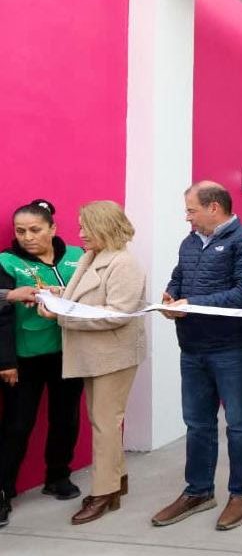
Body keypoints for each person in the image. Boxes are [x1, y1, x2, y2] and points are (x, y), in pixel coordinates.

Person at [151, 181, 242, 531]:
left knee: (240, 424)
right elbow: (178, 278)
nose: (187, 217)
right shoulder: (189, 243)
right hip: (192, 348)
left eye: (191, 210)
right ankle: (199, 491)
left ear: (214, 207)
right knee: (198, 424)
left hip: (233, 349)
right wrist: (171, 296)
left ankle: (241, 493)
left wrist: (192, 304)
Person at [37, 201, 146, 524]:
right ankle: (117, 482)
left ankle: (104, 492)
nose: (81, 233)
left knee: (105, 424)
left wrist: (61, 315)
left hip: (113, 356)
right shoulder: (93, 256)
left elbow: (118, 313)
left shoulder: (124, 263)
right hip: (95, 355)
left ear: (105, 227)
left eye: (87, 226)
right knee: (103, 422)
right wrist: (56, 296)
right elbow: (85, 297)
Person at [0, 199, 85, 527]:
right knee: (17, 425)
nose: (27, 237)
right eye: (20, 231)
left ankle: (58, 476)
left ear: (53, 228)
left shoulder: (78, 256)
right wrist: (6, 361)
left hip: (69, 353)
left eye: (35, 230)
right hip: (24, 359)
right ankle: (4, 490)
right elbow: (2, 317)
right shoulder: (7, 262)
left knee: (66, 418)